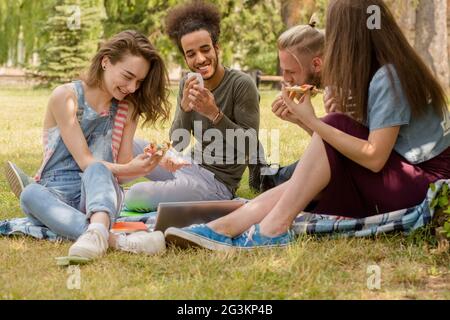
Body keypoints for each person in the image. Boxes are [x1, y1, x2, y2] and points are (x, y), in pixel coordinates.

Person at [164, 0, 450, 250]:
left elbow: (374, 158)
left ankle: (271, 230)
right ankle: (224, 227)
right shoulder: (379, 72)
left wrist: (315, 119)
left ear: (351, 35)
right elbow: (339, 152)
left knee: (332, 129)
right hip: (401, 174)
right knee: (310, 170)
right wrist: (312, 122)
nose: (332, 42)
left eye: (335, 33)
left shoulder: (388, 77)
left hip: (423, 183)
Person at [14, 30, 174, 259]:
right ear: (106, 61)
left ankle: (96, 230)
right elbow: (84, 160)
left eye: (138, 81)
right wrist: (128, 168)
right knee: (29, 194)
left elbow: (120, 173)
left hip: (100, 199)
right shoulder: (66, 97)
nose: (132, 88)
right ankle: (116, 240)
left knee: (98, 169)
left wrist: (142, 166)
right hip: (57, 195)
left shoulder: (127, 110)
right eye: (128, 76)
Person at [124, 0, 260, 212]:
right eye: (191, 53)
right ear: (185, 57)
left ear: (217, 47)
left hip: (216, 183)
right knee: (130, 145)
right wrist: (185, 109)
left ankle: (166, 191)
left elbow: (250, 147)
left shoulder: (241, 85)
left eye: (205, 49)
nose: (200, 59)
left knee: (136, 196)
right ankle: (95, 185)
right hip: (188, 163)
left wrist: (214, 114)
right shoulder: (188, 83)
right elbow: (178, 143)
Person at [252, 21, 328, 192]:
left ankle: (273, 177)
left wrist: (307, 119)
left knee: (306, 169)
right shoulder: (328, 87)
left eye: (291, 72)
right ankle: (271, 176)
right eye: (283, 71)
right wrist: (300, 119)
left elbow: (337, 149)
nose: (285, 79)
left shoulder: (340, 90)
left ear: (317, 64)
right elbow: (330, 142)